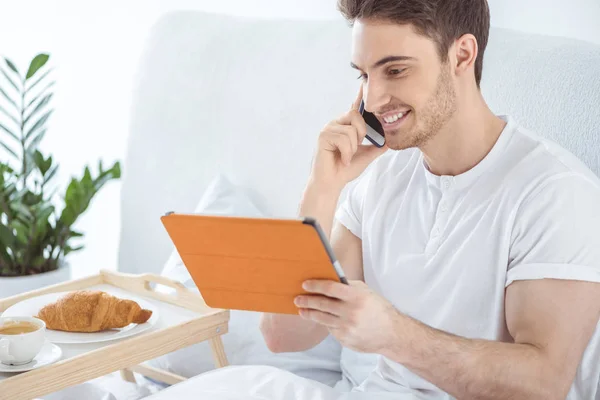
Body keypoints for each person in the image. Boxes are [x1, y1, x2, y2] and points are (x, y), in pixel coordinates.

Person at [258, 0, 600, 399]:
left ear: (462, 55)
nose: (372, 100)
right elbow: (283, 334)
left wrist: (394, 335)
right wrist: (323, 185)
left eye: (395, 70)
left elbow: (543, 384)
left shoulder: (554, 192)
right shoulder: (378, 181)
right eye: (365, 75)